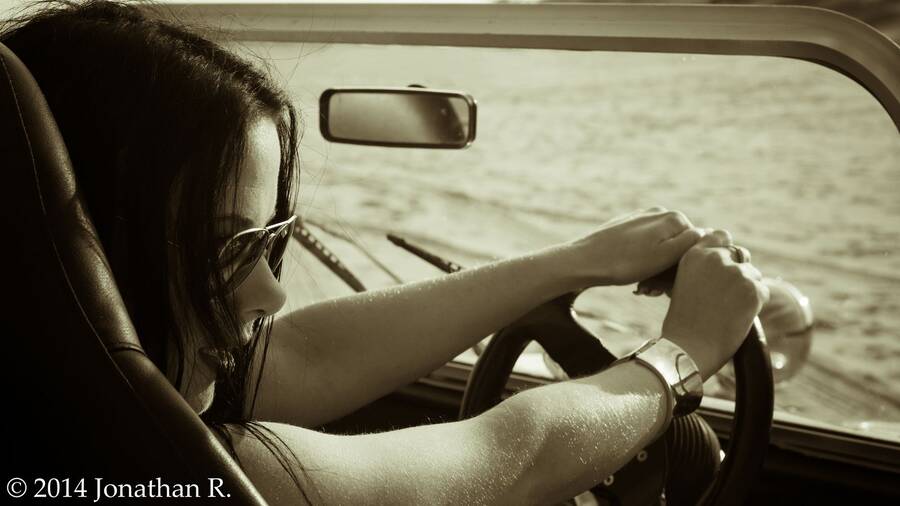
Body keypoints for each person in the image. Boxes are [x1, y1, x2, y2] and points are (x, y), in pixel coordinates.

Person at [2, 1, 769, 504]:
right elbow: (511, 459)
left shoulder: (56, 403)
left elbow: (305, 357)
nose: (269, 295)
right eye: (225, 250)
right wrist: (685, 352)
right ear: (66, 255)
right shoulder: (175, 476)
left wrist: (573, 262)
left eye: (271, 242)